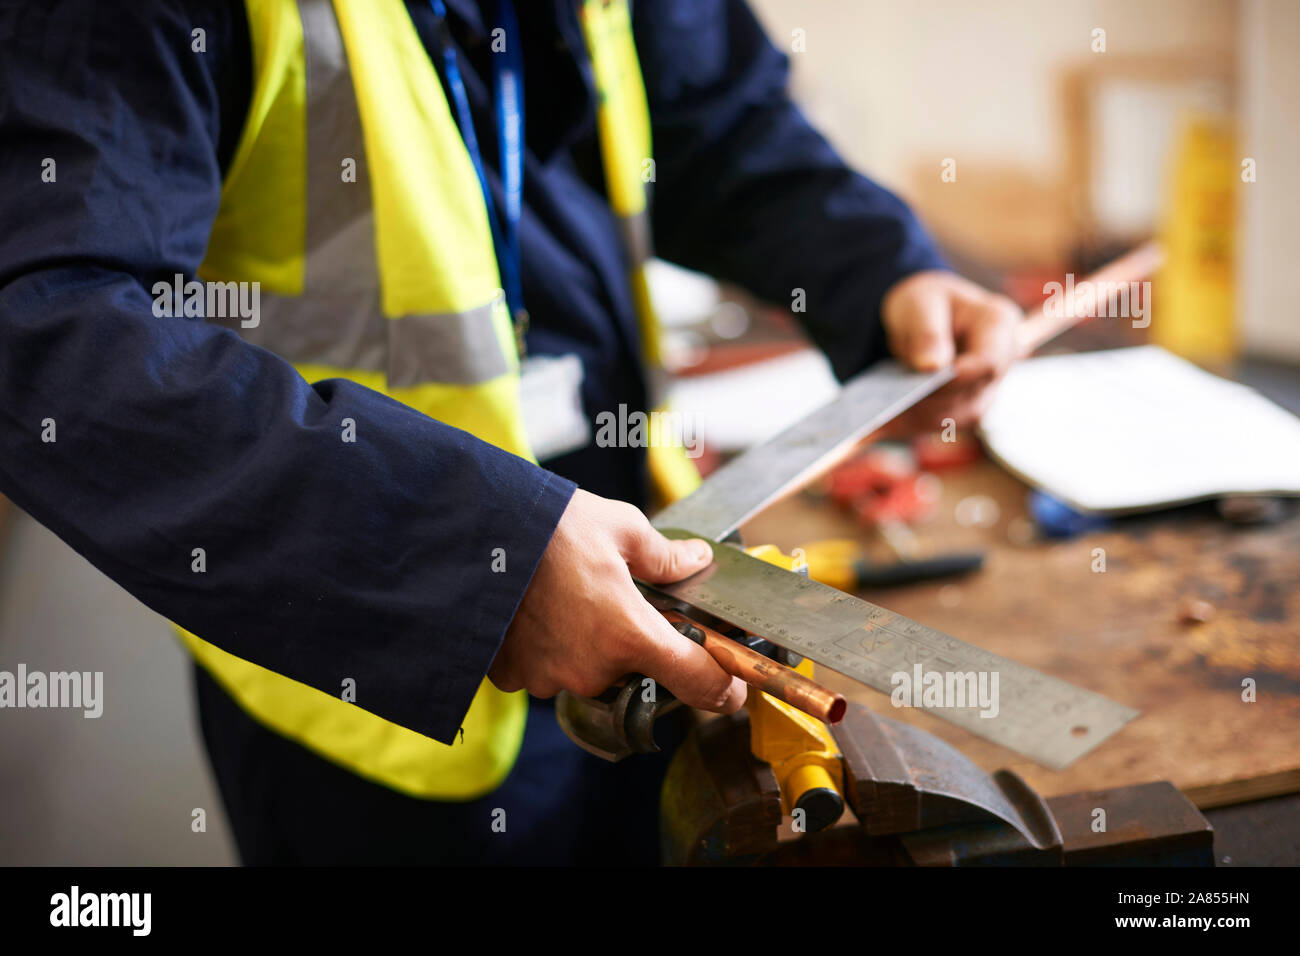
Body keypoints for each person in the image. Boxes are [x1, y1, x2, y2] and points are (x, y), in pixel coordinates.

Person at [0, 0, 1022, 864]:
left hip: (647, 585)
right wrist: (474, 563)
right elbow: (42, 323)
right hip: (373, 679)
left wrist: (876, 272)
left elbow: (712, 116)